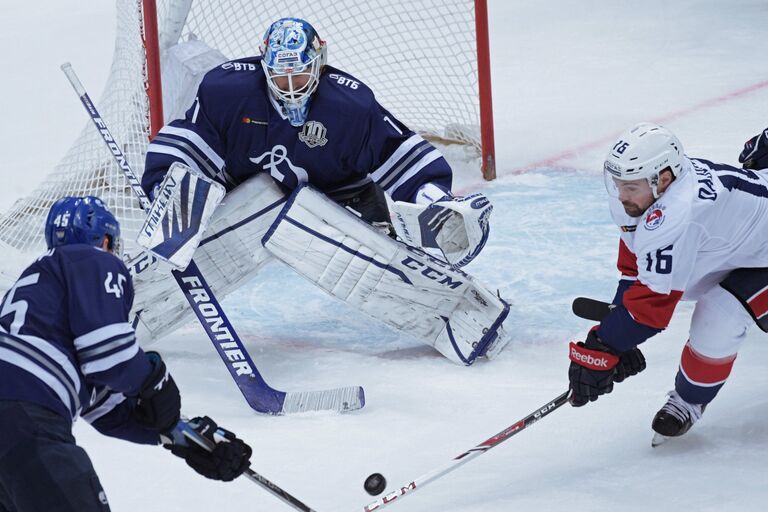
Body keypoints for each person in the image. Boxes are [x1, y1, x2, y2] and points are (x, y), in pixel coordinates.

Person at [141, 16, 489, 265]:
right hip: (247, 199)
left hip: (343, 197)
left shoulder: (349, 105)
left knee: (383, 251)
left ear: (319, 62)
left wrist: (431, 196)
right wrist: (166, 184)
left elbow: (396, 151)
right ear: (264, 67)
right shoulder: (227, 91)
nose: (291, 86)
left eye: (301, 74)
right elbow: (190, 137)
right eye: (281, 76)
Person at [0, 196, 252, 511]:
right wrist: (156, 382)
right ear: (105, 240)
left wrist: (182, 436)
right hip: (23, 418)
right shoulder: (94, 260)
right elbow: (112, 356)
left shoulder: (41, 299)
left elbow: (109, 411)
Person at [566, 122, 768, 444]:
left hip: (759, 256)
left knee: (719, 315)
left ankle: (688, 402)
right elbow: (636, 267)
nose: (621, 195)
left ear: (663, 179)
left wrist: (604, 345)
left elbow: (651, 310)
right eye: (617, 184)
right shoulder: (647, 196)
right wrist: (619, 326)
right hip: (745, 251)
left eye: (630, 187)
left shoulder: (680, 213)